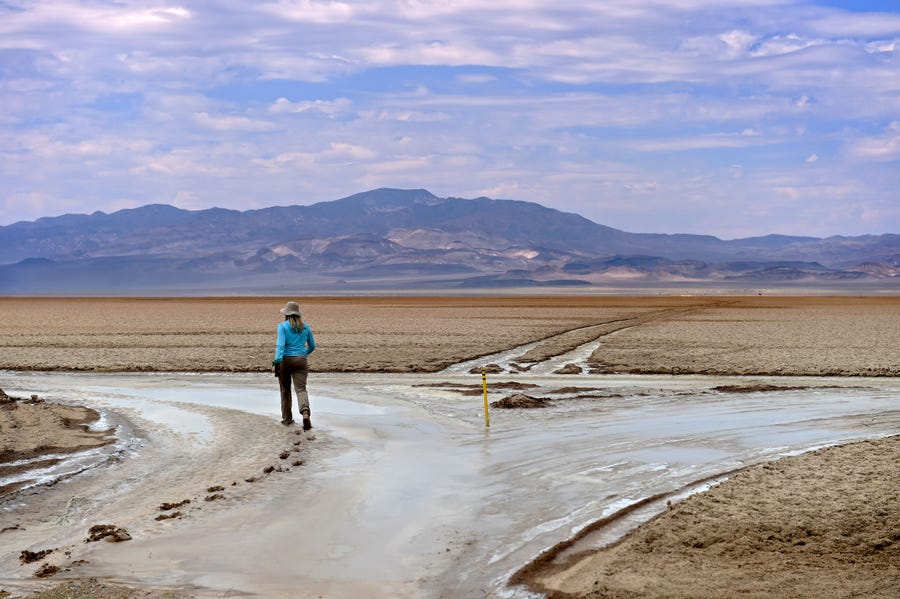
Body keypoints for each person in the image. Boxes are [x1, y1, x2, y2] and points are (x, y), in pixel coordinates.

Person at [272, 301, 316, 429]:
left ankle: (287, 420)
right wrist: (303, 354)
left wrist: (276, 362)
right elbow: (312, 346)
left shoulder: (282, 326)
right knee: (301, 389)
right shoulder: (306, 327)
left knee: (285, 390)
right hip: (301, 360)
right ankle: (305, 412)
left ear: (286, 314)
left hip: (285, 360)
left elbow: (280, 346)